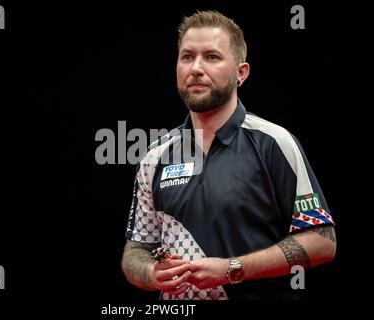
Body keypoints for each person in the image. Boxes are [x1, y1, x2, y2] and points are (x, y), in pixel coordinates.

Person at [121, 10, 336, 300]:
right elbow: (136, 249)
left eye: (211, 57)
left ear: (241, 73)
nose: (196, 68)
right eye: (187, 57)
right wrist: (150, 273)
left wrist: (233, 269)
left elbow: (322, 242)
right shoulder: (154, 156)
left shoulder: (275, 143)